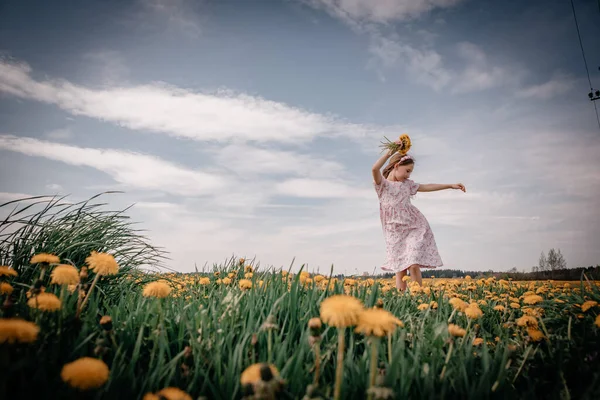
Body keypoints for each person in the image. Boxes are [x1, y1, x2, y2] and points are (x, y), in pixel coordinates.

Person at [372, 139, 466, 291]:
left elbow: (426, 186)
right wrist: (392, 151)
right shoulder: (383, 186)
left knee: (413, 262)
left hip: (414, 225)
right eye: (407, 171)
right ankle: (401, 301)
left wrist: (449, 185)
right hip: (393, 230)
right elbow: (374, 169)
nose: (409, 175)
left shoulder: (407, 185)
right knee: (400, 267)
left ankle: (418, 296)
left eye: (411, 172)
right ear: (396, 166)